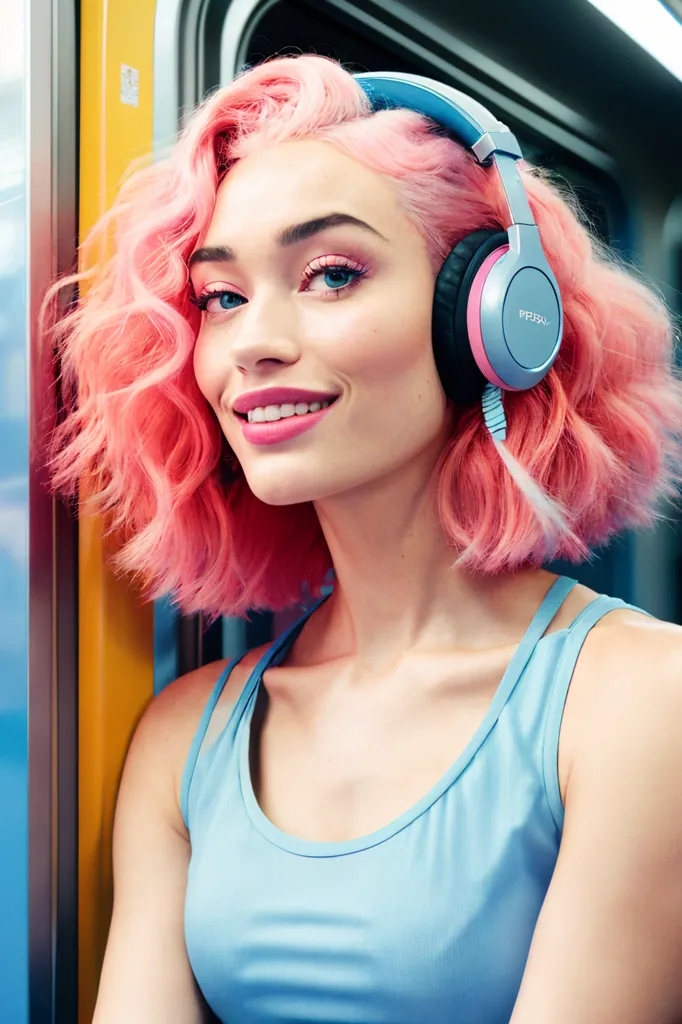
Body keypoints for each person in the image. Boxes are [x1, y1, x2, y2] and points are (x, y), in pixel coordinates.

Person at [45, 54, 682, 1023]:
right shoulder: (186, 739)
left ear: (491, 319)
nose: (252, 340)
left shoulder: (640, 702)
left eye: (330, 274)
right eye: (220, 298)